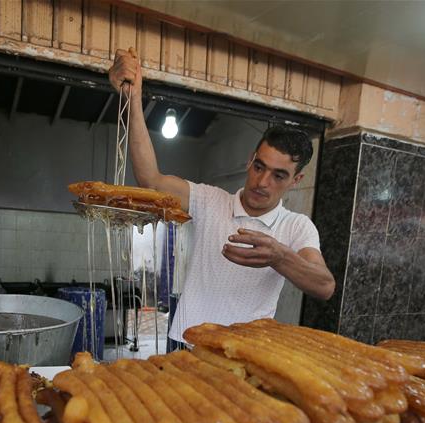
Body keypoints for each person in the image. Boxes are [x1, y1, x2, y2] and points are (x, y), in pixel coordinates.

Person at [107, 49, 336, 344]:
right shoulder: (208, 200)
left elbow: (324, 286)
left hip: (244, 357)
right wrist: (132, 100)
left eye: (278, 175)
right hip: (188, 346)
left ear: (296, 180)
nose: (262, 182)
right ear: (250, 160)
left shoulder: (296, 227)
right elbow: (150, 180)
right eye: (259, 167)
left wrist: (279, 256)